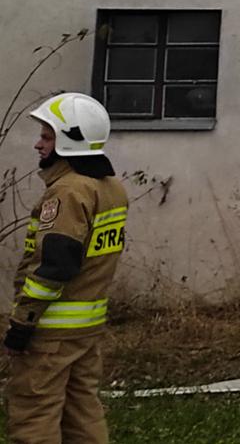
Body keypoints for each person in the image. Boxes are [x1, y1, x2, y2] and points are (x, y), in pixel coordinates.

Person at [8, 93, 126, 444]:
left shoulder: (68, 192)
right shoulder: (110, 188)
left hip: (50, 331)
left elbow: (56, 266)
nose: (38, 145)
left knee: (34, 415)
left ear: (68, 141)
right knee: (82, 414)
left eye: (46, 137)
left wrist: (22, 322)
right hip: (86, 329)